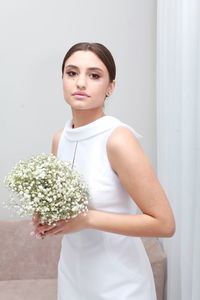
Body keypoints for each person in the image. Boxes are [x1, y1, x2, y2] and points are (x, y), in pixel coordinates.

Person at [33, 42, 175, 299]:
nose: (80, 83)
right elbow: (66, 211)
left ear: (111, 87)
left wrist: (87, 219)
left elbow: (164, 224)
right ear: (62, 79)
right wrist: (46, 219)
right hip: (72, 278)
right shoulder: (60, 139)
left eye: (94, 75)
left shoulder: (117, 139)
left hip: (120, 285)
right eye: (72, 73)